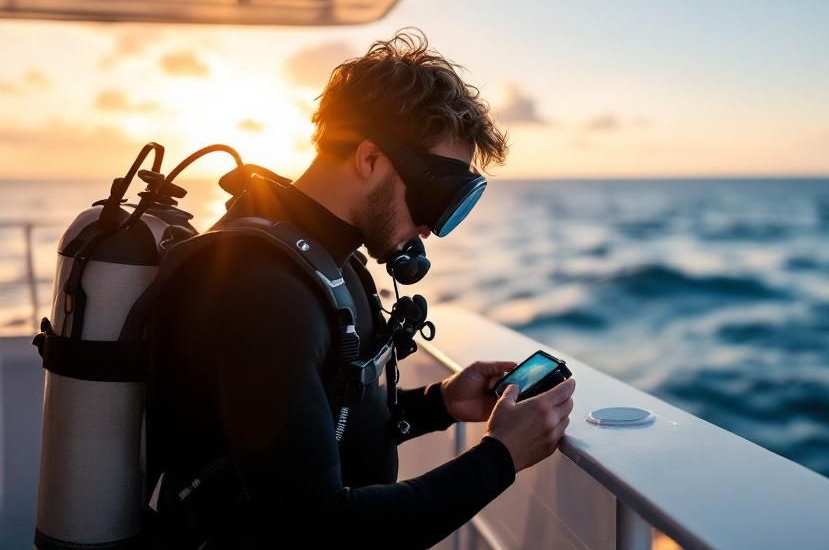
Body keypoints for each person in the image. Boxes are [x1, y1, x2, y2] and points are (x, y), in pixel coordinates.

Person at [143, 28, 575, 548]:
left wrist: (439, 403)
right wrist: (502, 455)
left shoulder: (329, 261)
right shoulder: (262, 289)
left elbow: (322, 422)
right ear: (369, 160)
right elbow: (320, 530)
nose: (434, 227)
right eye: (437, 195)